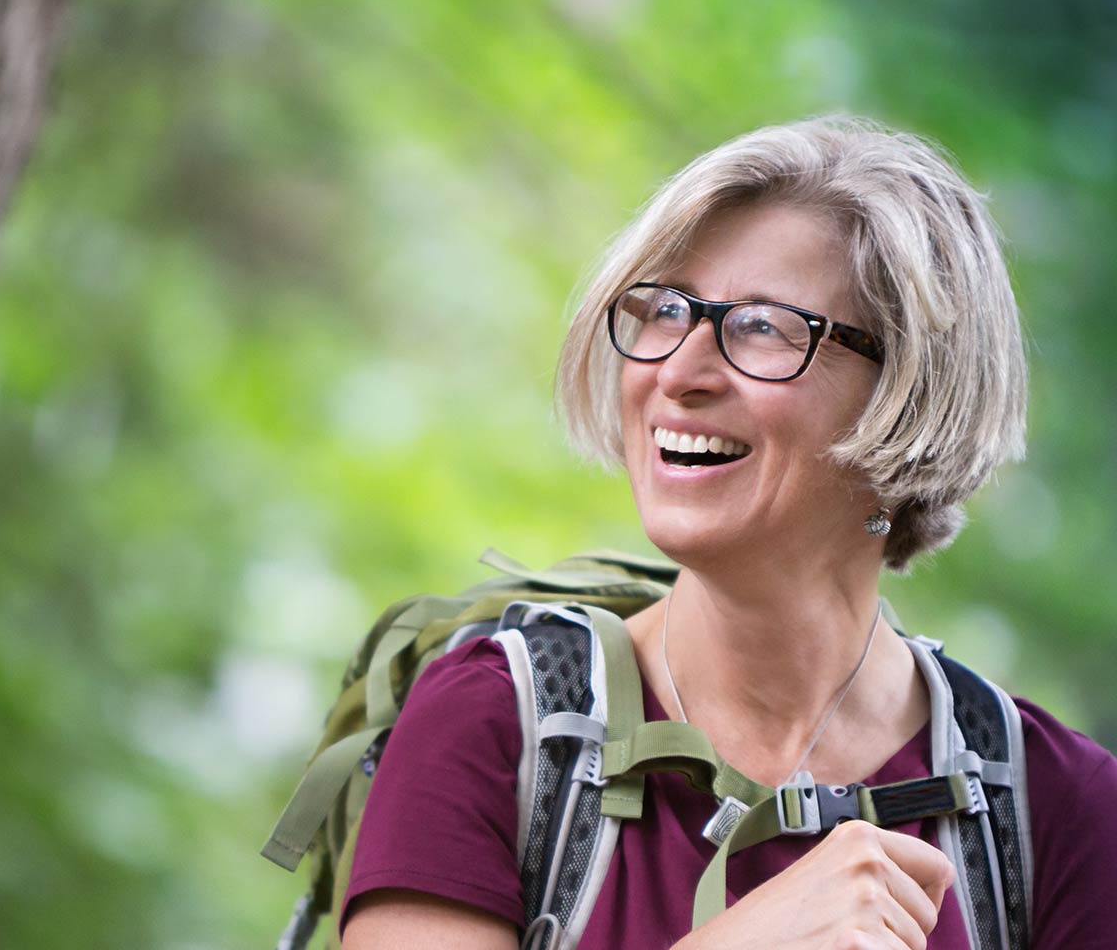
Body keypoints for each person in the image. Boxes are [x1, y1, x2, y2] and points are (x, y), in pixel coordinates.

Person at [337, 116, 1117, 950]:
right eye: (667, 310)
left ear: (911, 394)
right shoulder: (493, 724)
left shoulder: (1058, 811)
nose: (677, 373)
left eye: (764, 327)